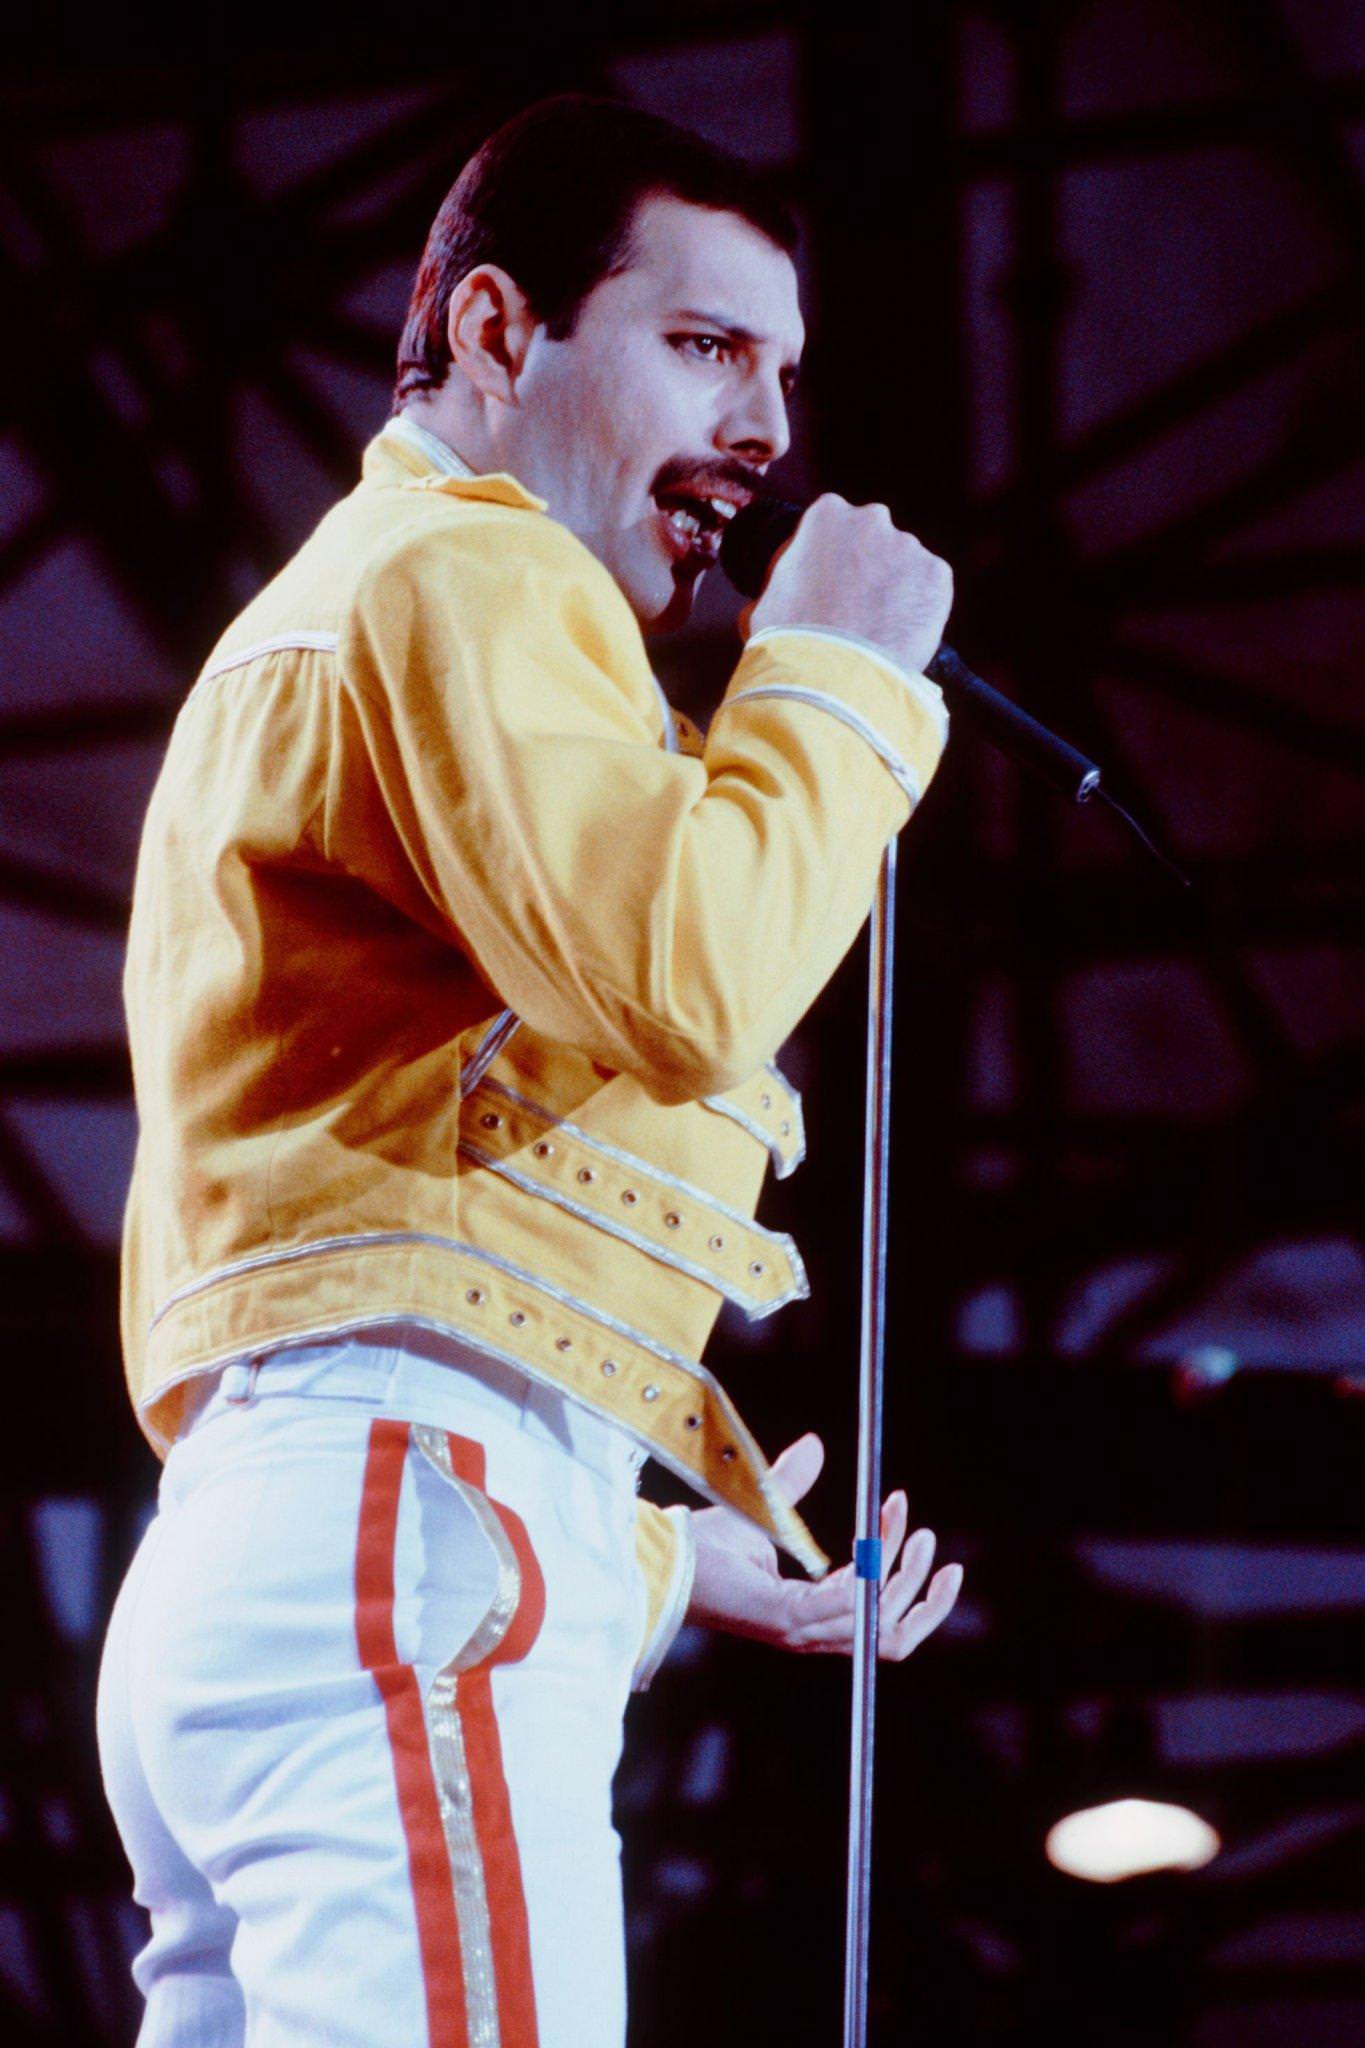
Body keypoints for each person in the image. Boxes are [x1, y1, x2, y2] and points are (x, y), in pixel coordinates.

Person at [97, 93, 964, 2048]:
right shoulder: (472, 572)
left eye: (782, 369)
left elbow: (368, 1217)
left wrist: (637, 1554)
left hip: (272, 1556)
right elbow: (680, 979)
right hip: (390, 1538)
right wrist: (830, 682)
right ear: (494, 334)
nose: (761, 429)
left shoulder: (345, 604)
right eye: (702, 347)